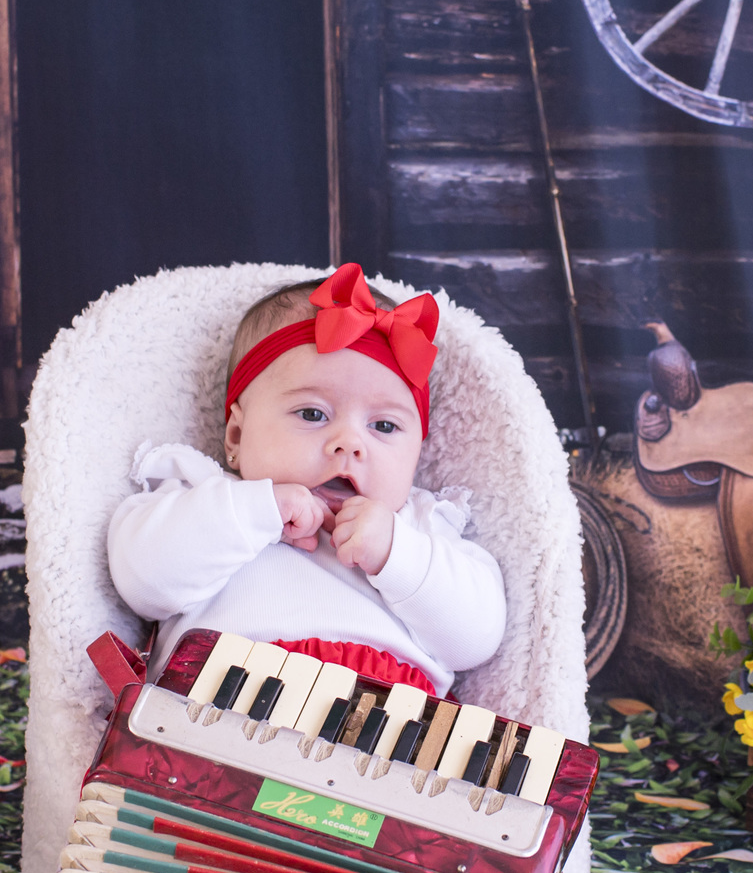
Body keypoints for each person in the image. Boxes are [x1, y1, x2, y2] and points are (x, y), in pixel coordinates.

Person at [107, 263, 507, 697]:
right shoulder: (206, 499)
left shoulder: (421, 529)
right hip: (217, 723)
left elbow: (475, 640)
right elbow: (144, 583)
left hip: (385, 735)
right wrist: (256, 511)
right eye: (313, 414)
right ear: (236, 436)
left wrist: (397, 554)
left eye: (385, 426)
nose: (349, 444)